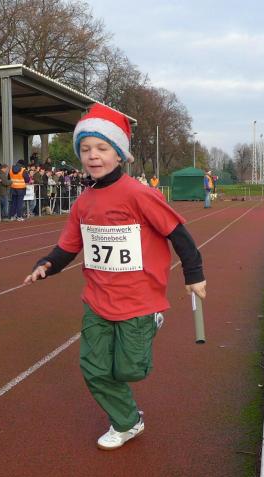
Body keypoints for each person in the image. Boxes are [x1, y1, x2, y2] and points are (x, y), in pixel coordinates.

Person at [23, 104, 206, 450]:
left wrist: (194, 275)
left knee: (130, 370)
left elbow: (177, 233)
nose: (93, 155)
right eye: (86, 149)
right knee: (94, 369)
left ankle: (152, 321)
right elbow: (69, 246)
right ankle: (127, 421)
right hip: (98, 299)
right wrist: (46, 264)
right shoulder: (83, 202)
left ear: (119, 154)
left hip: (139, 300)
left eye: (102, 148)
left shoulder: (139, 194)